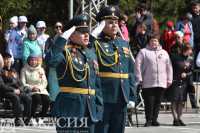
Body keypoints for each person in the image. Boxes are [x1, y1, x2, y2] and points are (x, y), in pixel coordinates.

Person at [46, 14, 103, 133]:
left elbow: (96, 84)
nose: (87, 34)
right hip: (70, 108)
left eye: (87, 31)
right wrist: (62, 38)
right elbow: (51, 61)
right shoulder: (64, 52)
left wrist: (99, 106)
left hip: (90, 108)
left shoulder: (90, 54)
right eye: (82, 32)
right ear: (71, 34)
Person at [93, 6, 135, 133]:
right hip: (104, 96)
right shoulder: (96, 43)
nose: (114, 25)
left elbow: (130, 72)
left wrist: (132, 96)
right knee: (102, 130)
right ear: (101, 24)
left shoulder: (123, 43)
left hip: (122, 96)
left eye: (116, 22)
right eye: (110, 22)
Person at [135, 33, 173, 127]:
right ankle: (148, 120)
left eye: (155, 41)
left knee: (157, 102)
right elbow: (137, 65)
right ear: (149, 42)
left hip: (161, 82)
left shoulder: (164, 52)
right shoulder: (143, 52)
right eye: (152, 41)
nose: (154, 42)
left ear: (158, 42)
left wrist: (169, 79)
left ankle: (155, 119)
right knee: (149, 102)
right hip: (148, 82)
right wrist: (139, 77)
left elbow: (169, 67)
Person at [1, 52, 32, 125]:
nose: (8, 61)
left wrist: (20, 90)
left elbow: (20, 83)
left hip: (17, 90)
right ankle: (18, 119)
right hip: (6, 91)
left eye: (9, 59)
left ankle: (27, 118)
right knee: (15, 97)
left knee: (28, 98)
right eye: (5, 59)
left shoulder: (14, 71)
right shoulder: (1, 71)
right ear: (2, 61)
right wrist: (13, 90)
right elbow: (2, 85)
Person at [168, 45, 194, 126]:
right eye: (190, 50)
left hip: (184, 83)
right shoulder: (175, 57)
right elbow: (169, 68)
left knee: (181, 102)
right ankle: (175, 119)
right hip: (175, 82)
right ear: (185, 50)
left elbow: (191, 71)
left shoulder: (190, 59)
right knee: (174, 101)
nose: (191, 52)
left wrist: (186, 74)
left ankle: (179, 119)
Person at [20, 54, 50, 124]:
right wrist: (32, 88)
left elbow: (44, 82)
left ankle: (41, 116)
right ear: (28, 61)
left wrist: (39, 88)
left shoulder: (41, 69)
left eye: (35, 60)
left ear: (37, 61)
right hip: (30, 89)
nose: (33, 62)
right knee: (37, 98)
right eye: (32, 60)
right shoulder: (24, 69)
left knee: (47, 100)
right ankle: (31, 116)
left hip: (40, 89)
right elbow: (22, 82)